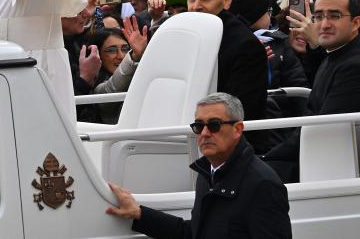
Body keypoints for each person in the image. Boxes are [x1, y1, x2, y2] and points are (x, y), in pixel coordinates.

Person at [106, 92, 291, 239]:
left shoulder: (262, 185)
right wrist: (139, 214)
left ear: (237, 130)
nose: (204, 133)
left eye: (214, 125)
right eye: (198, 126)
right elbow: (194, 233)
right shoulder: (209, 173)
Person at [265, 0, 360, 182]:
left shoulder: (353, 66)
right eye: (318, 16)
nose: (324, 24)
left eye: (334, 16)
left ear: (356, 23)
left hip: (327, 167)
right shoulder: (334, 54)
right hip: (313, 153)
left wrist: (271, 157)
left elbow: (322, 129)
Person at [187, 0, 269, 151]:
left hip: (230, 146)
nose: (196, 6)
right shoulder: (187, 35)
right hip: (192, 135)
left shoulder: (245, 45)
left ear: (226, 1)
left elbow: (241, 112)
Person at [86, 19, 148, 123]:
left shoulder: (143, 77)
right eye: (111, 50)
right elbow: (113, 88)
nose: (121, 56)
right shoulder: (98, 89)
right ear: (98, 55)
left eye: (125, 49)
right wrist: (134, 56)